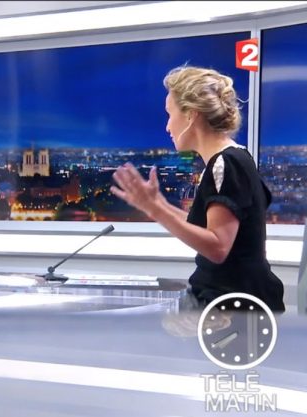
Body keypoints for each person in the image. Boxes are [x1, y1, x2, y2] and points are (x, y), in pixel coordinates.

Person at [110, 66, 285, 311]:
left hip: (232, 308)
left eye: (170, 114)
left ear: (191, 115)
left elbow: (218, 247)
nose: (167, 127)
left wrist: (156, 210)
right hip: (226, 300)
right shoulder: (232, 158)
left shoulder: (226, 163)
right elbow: (204, 228)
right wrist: (157, 205)